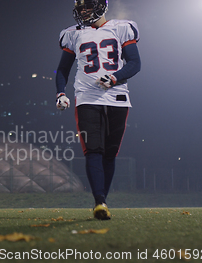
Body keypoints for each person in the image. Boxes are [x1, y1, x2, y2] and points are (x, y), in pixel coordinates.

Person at [55, 0, 141, 220]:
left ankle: (103, 199)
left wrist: (114, 78)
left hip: (117, 97)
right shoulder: (72, 34)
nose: (83, 11)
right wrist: (61, 93)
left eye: (87, 6)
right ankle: (99, 202)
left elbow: (134, 63)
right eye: (80, 7)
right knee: (93, 149)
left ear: (101, 6)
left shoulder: (122, 28)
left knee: (110, 153)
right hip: (86, 97)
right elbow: (62, 69)